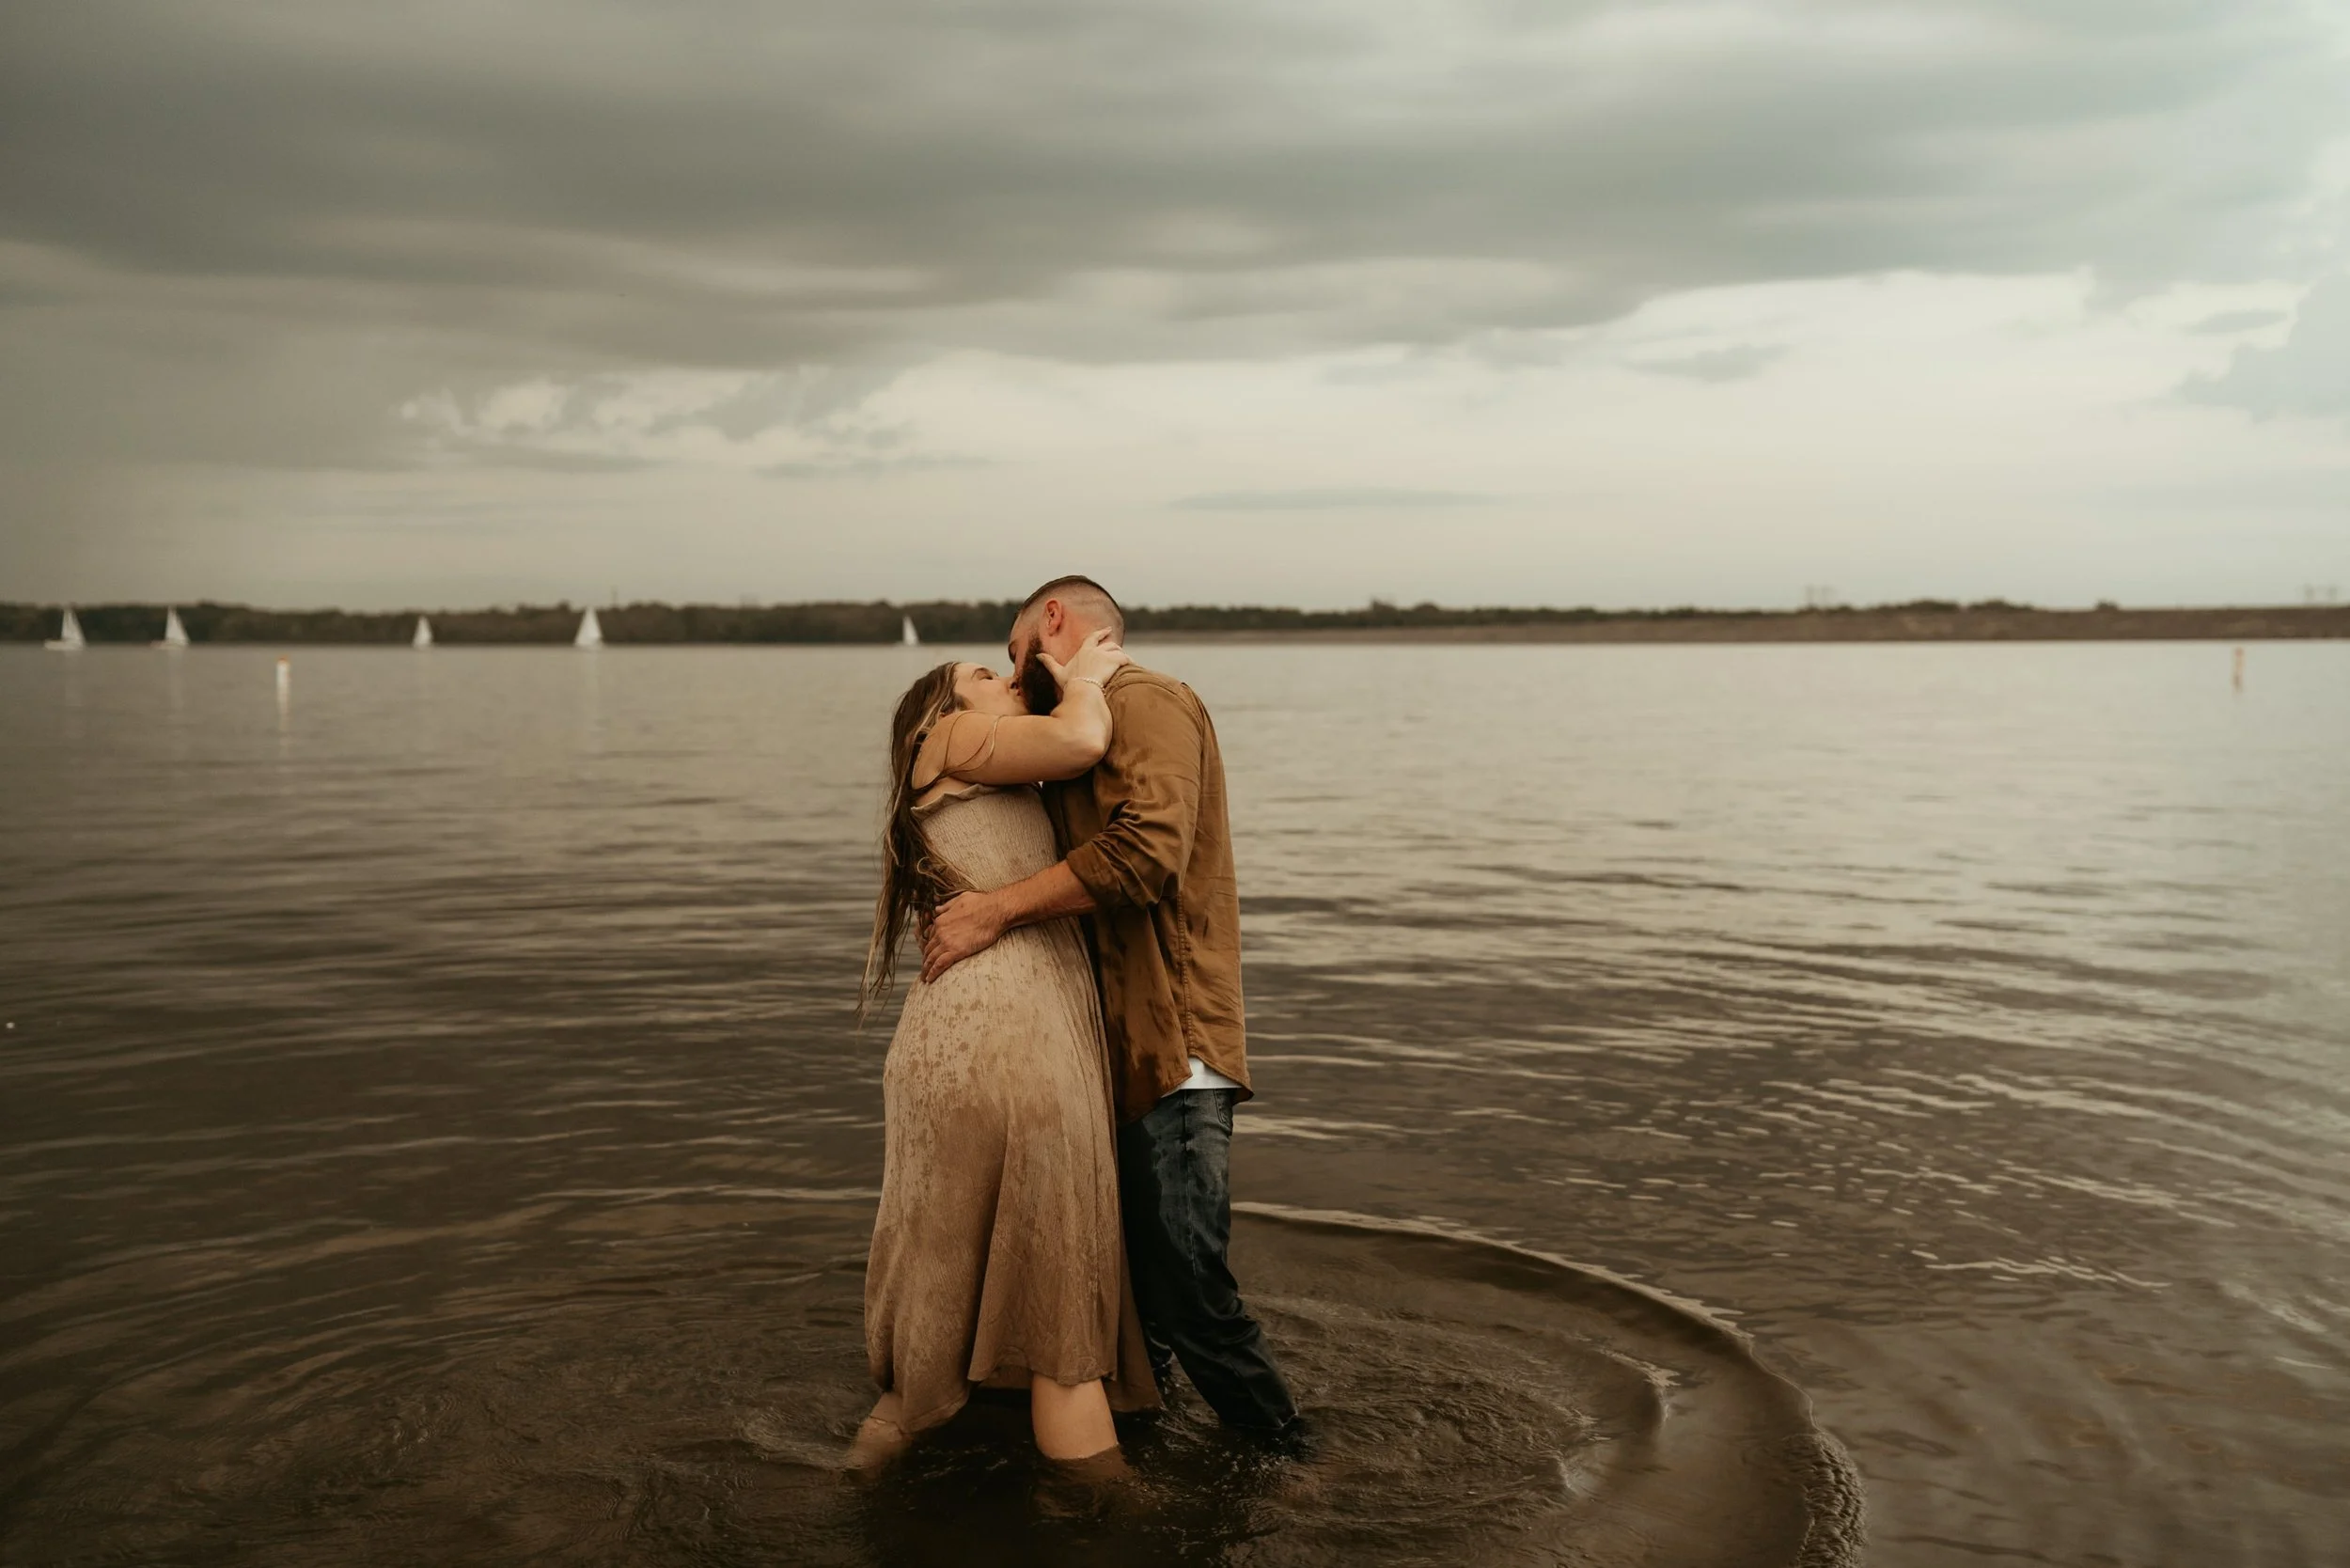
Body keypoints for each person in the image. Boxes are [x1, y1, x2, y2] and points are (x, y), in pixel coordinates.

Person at [922, 576, 1303, 1439]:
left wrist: (997, 908)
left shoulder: (1150, 702)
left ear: (1053, 619)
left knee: (1188, 1287)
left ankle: (1295, 1465)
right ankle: (1139, 1463)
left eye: (1016, 654)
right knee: (1127, 1300)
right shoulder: (1072, 730)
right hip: (1105, 1055)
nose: (1015, 680)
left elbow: (1148, 854)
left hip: (1172, 1046)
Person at [852, 628, 1160, 1468]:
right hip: (1003, 1043)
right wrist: (1091, 673)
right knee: (1058, 1293)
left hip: (963, 1043)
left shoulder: (991, 781)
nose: (1001, 677)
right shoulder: (941, 739)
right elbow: (1083, 740)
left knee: (939, 1267)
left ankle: (861, 1473)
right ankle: (1110, 1507)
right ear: (940, 716)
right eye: (982, 676)